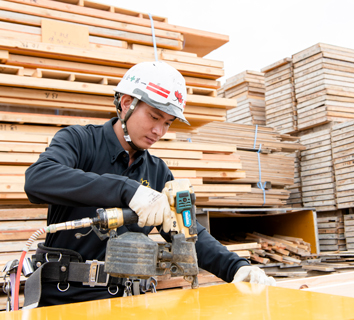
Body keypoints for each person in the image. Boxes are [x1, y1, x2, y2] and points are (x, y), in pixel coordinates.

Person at [24, 61, 275, 307]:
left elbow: (187, 230)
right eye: (154, 116)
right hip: (64, 300)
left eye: (167, 122)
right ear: (126, 104)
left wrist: (236, 267)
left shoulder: (159, 173)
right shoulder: (79, 141)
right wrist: (126, 189)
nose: (159, 131)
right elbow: (38, 179)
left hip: (128, 304)